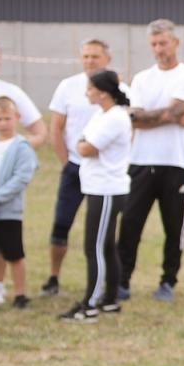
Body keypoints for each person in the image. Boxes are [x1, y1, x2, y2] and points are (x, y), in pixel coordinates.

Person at [117, 20, 184, 305]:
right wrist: (167, 117)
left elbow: (173, 111)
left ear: (175, 43)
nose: (158, 49)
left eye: (163, 43)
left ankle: (168, 281)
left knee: (173, 226)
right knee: (130, 223)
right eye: (154, 44)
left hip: (176, 163)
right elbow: (136, 119)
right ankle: (122, 280)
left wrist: (153, 116)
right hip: (141, 161)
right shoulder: (142, 79)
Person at [43, 39, 113, 297]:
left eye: (95, 56)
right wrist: (66, 162)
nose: (89, 61)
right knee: (62, 223)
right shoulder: (68, 87)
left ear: (107, 59)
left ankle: (104, 282)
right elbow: (57, 126)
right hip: (74, 166)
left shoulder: (119, 90)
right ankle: (53, 278)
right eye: (85, 56)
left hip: (103, 172)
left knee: (100, 231)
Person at [60, 70, 131, 323]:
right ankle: (109, 299)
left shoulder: (114, 118)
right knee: (107, 246)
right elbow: (82, 142)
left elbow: (87, 148)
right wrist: (82, 143)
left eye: (90, 89)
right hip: (98, 187)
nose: (86, 93)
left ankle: (89, 304)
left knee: (95, 247)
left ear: (102, 92)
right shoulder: (102, 115)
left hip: (107, 189)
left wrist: (82, 144)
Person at [0, 39, 47, 304]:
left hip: (3, 191)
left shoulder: (10, 93)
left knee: (7, 247)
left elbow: (39, 131)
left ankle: (2, 288)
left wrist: (17, 150)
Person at [0, 96, 38, 310]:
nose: (3, 123)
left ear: (16, 118)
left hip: (8, 211)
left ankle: (20, 294)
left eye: (7, 118)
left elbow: (21, 178)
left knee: (14, 253)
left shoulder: (22, 147)